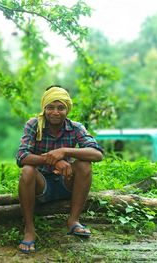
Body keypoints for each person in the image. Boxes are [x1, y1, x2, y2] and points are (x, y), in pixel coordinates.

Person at [16, 85, 103, 253]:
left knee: (84, 164)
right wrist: (53, 161)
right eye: (50, 107)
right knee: (27, 170)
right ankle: (29, 229)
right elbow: (21, 157)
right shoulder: (34, 125)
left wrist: (64, 152)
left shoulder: (75, 127)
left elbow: (97, 154)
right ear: (44, 108)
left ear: (67, 110)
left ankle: (73, 220)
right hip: (41, 185)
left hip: (66, 181)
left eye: (60, 108)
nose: (55, 112)